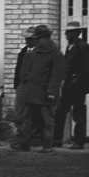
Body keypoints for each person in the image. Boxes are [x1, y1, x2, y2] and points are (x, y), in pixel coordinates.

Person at [13, 23, 65, 153]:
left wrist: (52, 92)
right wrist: (24, 84)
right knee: (27, 119)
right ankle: (24, 144)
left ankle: (47, 145)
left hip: (45, 93)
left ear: (46, 38)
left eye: (38, 38)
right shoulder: (33, 52)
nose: (35, 41)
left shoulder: (56, 54)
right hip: (31, 91)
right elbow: (25, 70)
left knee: (47, 121)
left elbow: (57, 75)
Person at [52, 21, 89, 150]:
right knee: (60, 111)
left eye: (69, 32)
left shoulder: (83, 46)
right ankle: (57, 140)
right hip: (68, 84)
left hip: (78, 85)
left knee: (78, 113)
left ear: (77, 33)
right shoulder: (70, 46)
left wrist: (77, 78)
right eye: (66, 32)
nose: (66, 34)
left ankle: (79, 141)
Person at [9, 26, 37, 149]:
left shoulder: (39, 52)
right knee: (19, 113)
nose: (28, 41)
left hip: (34, 87)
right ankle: (20, 139)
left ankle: (29, 140)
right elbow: (18, 68)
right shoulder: (24, 51)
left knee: (30, 114)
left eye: (30, 39)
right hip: (22, 86)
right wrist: (17, 85)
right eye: (26, 39)